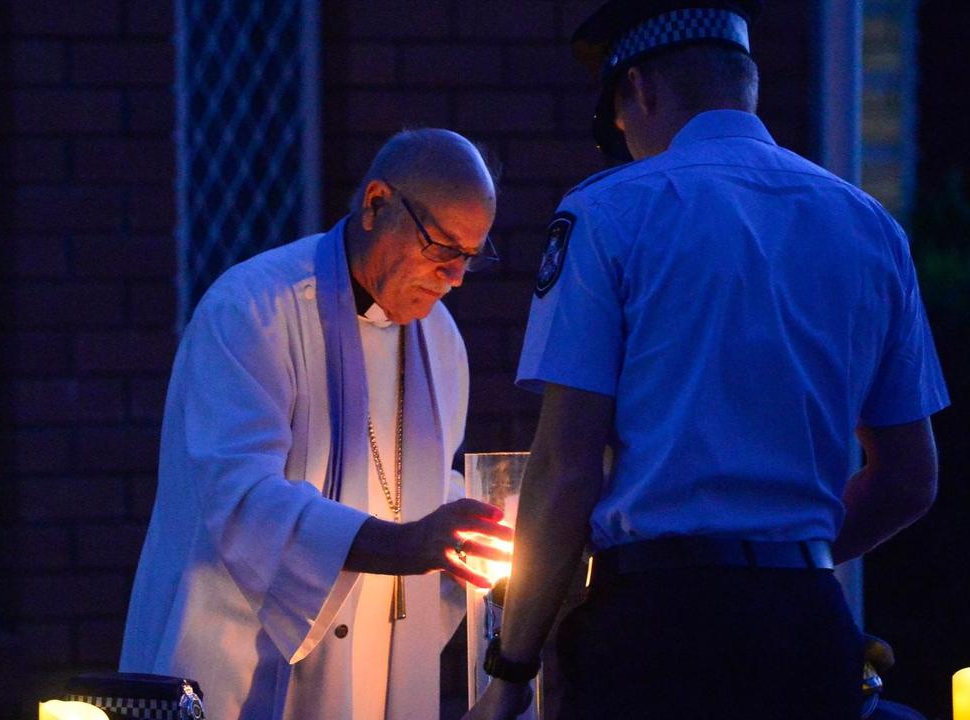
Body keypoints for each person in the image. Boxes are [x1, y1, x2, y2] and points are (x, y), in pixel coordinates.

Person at [466, 2, 949, 719]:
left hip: (656, 630)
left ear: (640, 90)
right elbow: (909, 476)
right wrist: (786, 554)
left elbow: (566, 466)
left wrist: (511, 673)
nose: (625, 144)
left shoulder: (612, 213)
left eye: (619, 126)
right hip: (809, 630)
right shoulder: (867, 226)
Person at [121, 128, 514, 719]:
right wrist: (407, 542)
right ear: (376, 204)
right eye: (441, 248)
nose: (455, 277)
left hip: (367, 683)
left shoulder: (441, 342)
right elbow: (243, 500)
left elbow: (417, 494)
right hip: (229, 674)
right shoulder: (253, 311)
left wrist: (487, 532)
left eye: (470, 257)